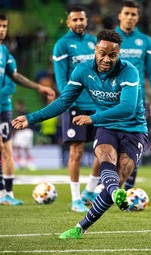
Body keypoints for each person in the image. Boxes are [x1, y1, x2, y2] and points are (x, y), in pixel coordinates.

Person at [12, 29, 148, 240]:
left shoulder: (129, 71)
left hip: (134, 130)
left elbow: (128, 108)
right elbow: (63, 101)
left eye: (112, 55)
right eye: (102, 53)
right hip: (107, 127)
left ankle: (83, 224)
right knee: (104, 155)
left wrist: (92, 118)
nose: (106, 59)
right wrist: (31, 118)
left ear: (118, 54)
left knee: (121, 174)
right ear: (95, 49)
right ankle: (86, 223)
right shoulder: (82, 70)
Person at [0, 14, 55, 204]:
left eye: (5, 26)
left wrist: (38, 87)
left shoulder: (3, 51)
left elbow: (14, 76)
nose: (2, 30)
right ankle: (2, 195)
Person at [53, 5, 100, 212]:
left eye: (82, 19)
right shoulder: (62, 45)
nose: (79, 23)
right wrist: (69, 102)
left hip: (97, 105)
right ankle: (75, 199)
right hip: (75, 105)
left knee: (104, 149)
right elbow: (61, 77)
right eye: (75, 20)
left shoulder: (93, 43)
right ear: (69, 22)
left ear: (86, 20)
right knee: (77, 151)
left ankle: (89, 190)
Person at [114, 0, 151, 190]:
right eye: (127, 14)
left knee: (134, 144)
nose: (130, 18)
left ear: (138, 17)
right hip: (111, 100)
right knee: (111, 143)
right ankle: (106, 185)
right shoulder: (110, 38)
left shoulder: (145, 41)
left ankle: (129, 189)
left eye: (133, 14)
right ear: (120, 16)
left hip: (136, 102)